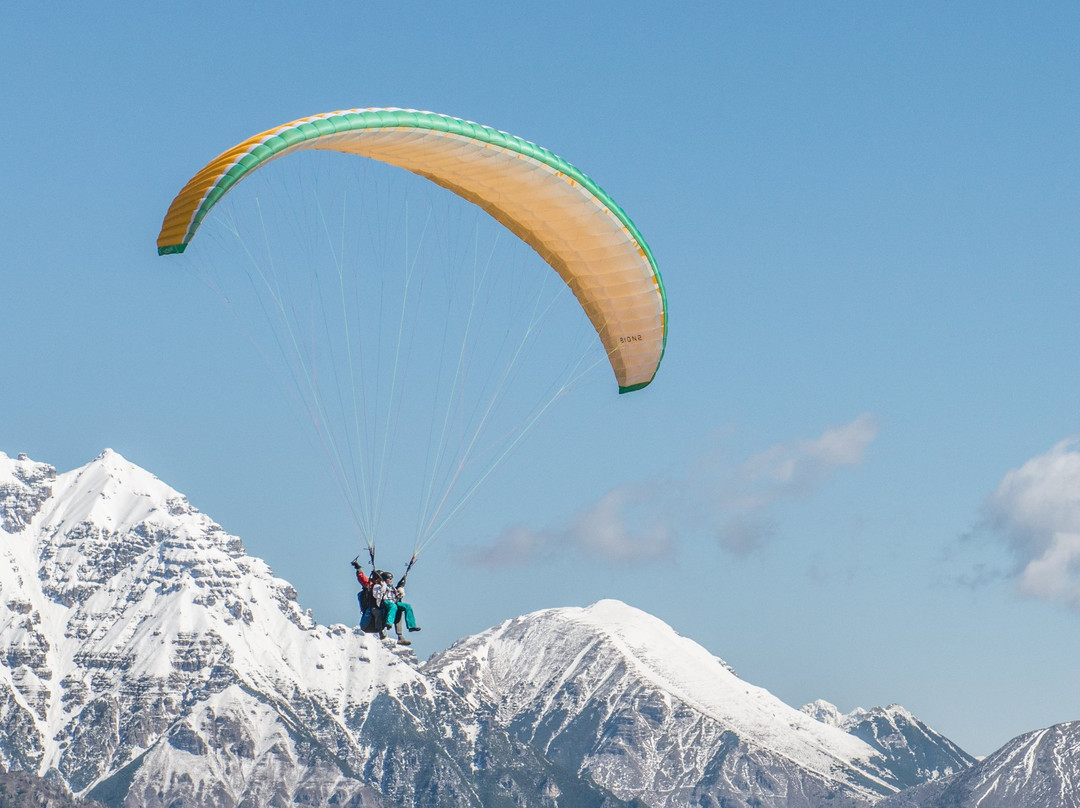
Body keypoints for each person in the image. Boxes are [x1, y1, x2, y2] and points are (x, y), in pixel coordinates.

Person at [374, 570, 421, 645]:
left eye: (391, 579)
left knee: (407, 606)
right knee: (394, 607)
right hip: (385, 602)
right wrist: (383, 586)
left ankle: (411, 626)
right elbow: (377, 595)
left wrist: (400, 590)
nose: (390, 580)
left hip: (393, 601)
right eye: (389, 579)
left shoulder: (392, 588)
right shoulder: (379, 586)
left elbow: (397, 595)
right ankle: (389, 623)